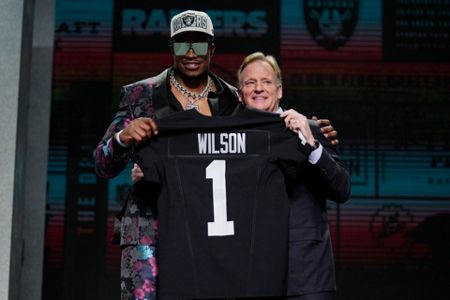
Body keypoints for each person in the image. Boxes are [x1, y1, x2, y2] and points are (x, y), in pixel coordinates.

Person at [94, 10, 338, 300]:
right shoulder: (139, 95)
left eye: (198, 44)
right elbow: (102, 164)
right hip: (150, 230)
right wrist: (122, 139)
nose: (190, 53)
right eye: (182, 44)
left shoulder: (232, 98)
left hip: (210, 233)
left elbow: (266, 131)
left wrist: (312, 130)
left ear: (211, 49)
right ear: (171, 48)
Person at [236, 52, 351, 300]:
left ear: (279, 90)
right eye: (250, 83)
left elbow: (342, 190)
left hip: (307, 276)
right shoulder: (230, 142)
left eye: (266, 82)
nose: (258, 89)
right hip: (251, 276)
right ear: (239, 93)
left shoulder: (311, 129)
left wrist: (312, 144)